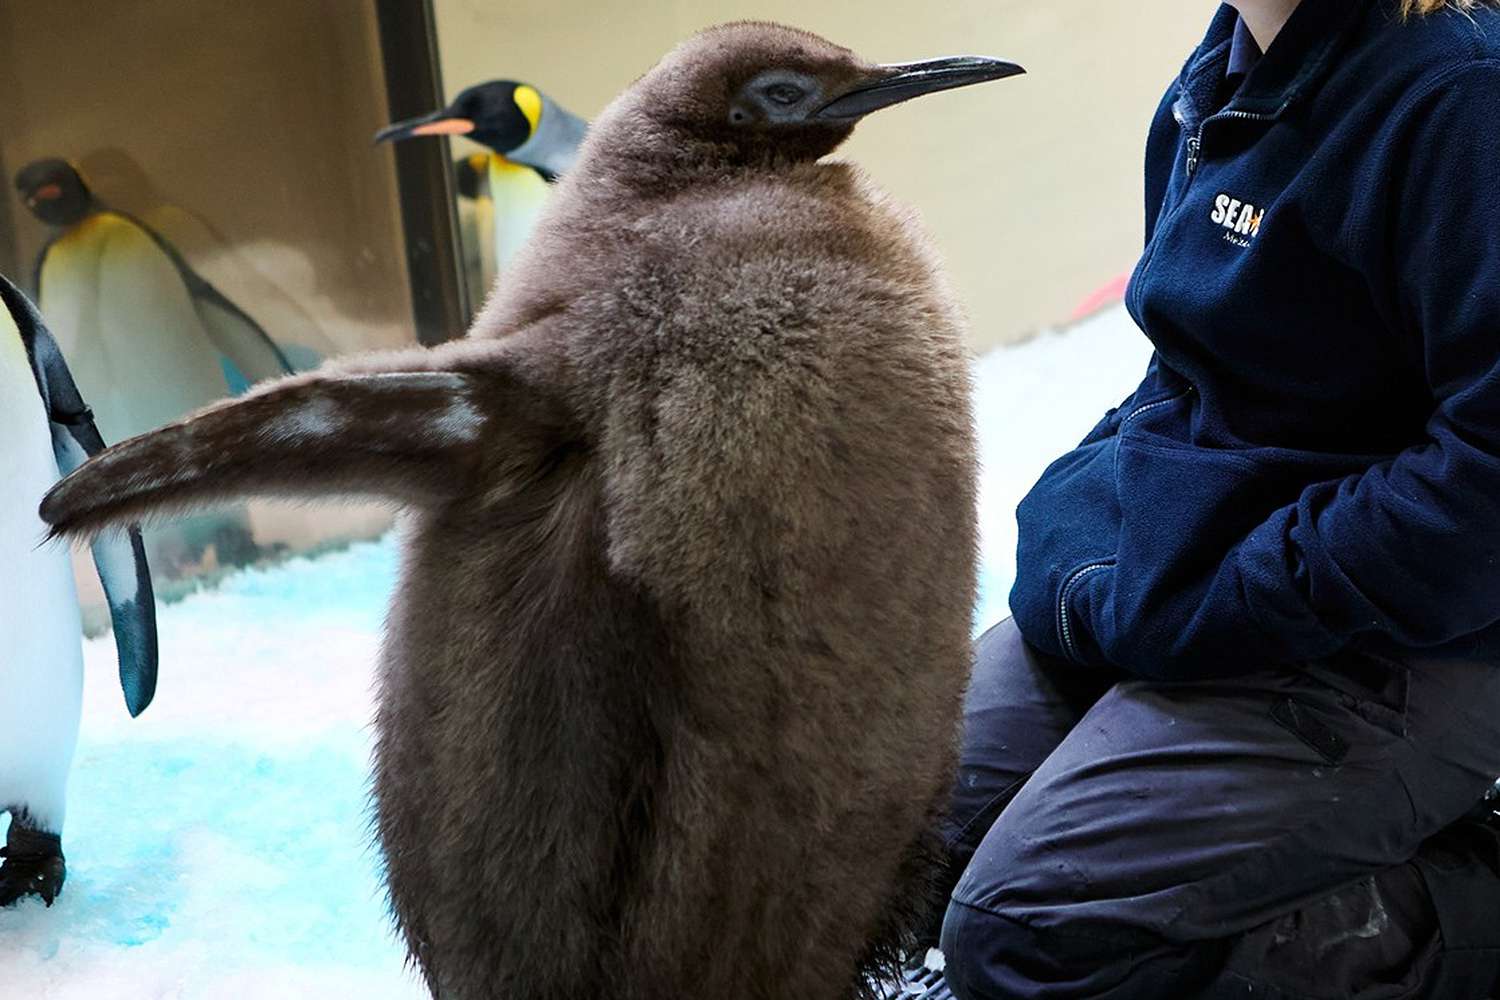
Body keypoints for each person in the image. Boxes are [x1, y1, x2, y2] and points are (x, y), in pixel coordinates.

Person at [912, 1, 1500, 997]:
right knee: (895, 833)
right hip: (1249, 563)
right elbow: (1190, 377)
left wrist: (1222, 594)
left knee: (1025, 931)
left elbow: (1483, 492)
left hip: (1418, 629)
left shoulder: (1459, 99)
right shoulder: (1227, 68)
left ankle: (1464, 917)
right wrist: (1102, 538)